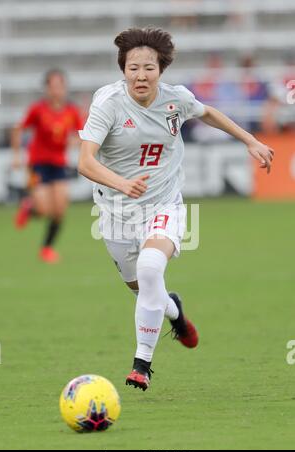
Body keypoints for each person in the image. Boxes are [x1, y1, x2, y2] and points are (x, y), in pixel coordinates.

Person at [78, 27, 274, 391]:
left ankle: (141, 364)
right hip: (115, 213)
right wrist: (121, 183)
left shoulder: (176, 99)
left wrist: (251, 140)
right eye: (133, 68)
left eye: (149, 68)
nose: (141, 75)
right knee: (145, 291)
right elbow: (85, 162)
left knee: (151, 268)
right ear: (123, 70)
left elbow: (208, 112)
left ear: (161, 70)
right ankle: (176, 312)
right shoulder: (107, 104)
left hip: (163, 203)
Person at [11, 69, 83, 263]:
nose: (57, 90)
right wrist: (16, 155)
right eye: (53, 86)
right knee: (44, 210)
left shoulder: (71, 111)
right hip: (38, 164)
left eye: (60, 86)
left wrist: (75, 142)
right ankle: (29, 206)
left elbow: (82, 134)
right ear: (47, 89)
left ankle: (46, 249)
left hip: (59, 164)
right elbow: (18, 129)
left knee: (59, 210)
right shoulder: (38, 109)